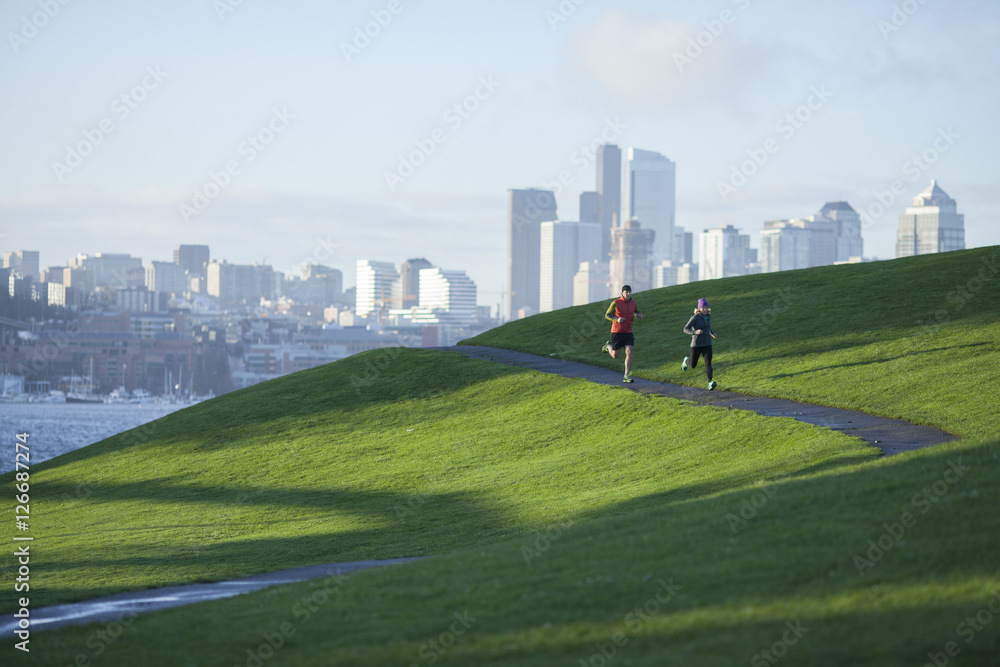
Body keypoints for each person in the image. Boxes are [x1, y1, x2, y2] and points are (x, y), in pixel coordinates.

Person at [601, 285, 643, 383]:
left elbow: (636, 311)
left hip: (628, 332)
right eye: (626, 292)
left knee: (629, 352)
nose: (628, 294)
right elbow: (607, 315)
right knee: (615, 355)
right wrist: (617, 319)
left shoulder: (633, 303)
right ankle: (608, 346)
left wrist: (639, 315)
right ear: (622, 293)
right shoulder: (616, 303)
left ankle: (626, 375)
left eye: (629, 292)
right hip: (617, 332)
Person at [682, 297, 718, 390]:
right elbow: (686, 329)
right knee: (693, 365)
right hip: (696, 345)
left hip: (707, 344)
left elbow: (708, 327)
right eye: (703, 307)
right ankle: (686, 361)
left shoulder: (709, 316)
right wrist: (695, 332)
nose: (705, 309)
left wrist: (712, 333)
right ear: (699, 309)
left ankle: (710, 382)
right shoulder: (694, 318)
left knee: (708, 363)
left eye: (706, 307)